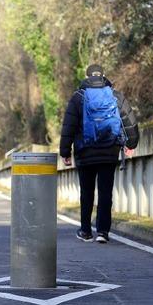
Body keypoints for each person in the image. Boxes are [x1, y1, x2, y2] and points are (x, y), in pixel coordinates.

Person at [59, 64, 139, 243]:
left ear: (86, 76)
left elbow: (69, 127)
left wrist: (65, 152)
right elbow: (129, 121)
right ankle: (103, 232)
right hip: (109, 151)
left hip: (84, 152)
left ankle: (86, 231)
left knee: (86, 192)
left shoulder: (78, 97)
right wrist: (131, 144)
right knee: (105, 192)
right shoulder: (115, 96)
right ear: (103, 75)